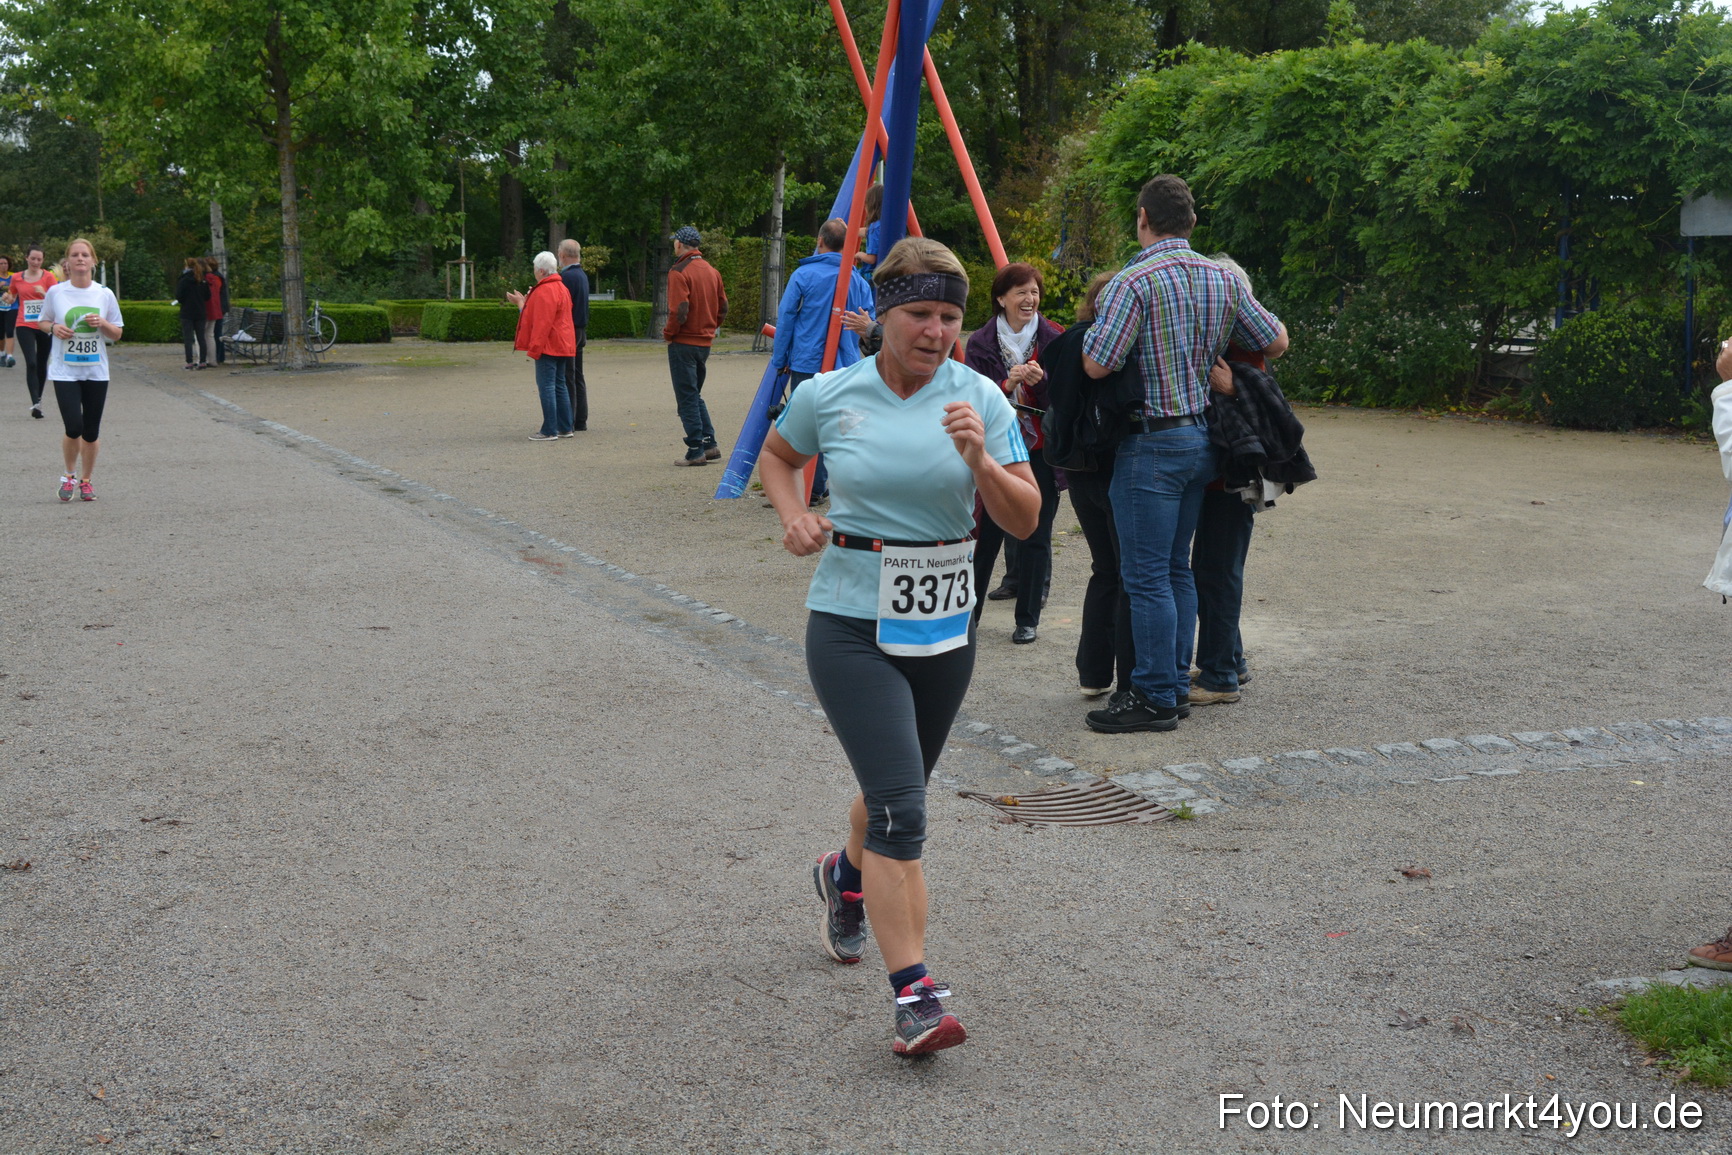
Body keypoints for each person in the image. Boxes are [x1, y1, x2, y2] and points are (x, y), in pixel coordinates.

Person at [760, 237, 1039, 1056]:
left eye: (951, 316)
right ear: (884, 314)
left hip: (946, 629)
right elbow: (779, 459)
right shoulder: (830, 393)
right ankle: (915, 995)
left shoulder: (980, 396)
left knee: (899, 785)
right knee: (902, 810)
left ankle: (843, 879)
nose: (936, 330)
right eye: (920, 313)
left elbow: (1024, 519)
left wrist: (980, 459)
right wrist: (794, 514)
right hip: (851, 625)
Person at [1081, 174, 1287, 734]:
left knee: (1146, 576)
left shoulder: (1132, 281)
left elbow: (1098, 362)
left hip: (1150, 442)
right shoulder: (1223, 277)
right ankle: (1170, 682)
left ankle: (1153, 695)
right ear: (1192, 222)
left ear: (1142, 217)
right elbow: (1275, 340)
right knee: (1176, 570)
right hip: (1201, 438)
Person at [1188, 254, 1293, 706]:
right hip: (1229, 470)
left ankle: (1219, 675)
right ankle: (1230, 658)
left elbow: (1265, 388)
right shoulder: (1242, 335)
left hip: (1230, 471)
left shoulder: (1241, 338)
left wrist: (1230, 387)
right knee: (1213, 568)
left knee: (1217, 569)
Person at [1044, 271, 1136, 696]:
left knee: (1105, 570)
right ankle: (1132, 678)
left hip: (1079, 467)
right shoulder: (1117, 351)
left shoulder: (1065, 342)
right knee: (1131, 575)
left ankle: (1093, 673)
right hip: (1117, 464)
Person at [965, 262, 1065, 644]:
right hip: (995, 448)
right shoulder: (981, 342)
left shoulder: (1055, 337)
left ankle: (1028, 619)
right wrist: (1007, 382)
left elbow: (1065, 398)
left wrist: (1041, 384)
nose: (1030, 299)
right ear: (1001, 297)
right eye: (1021, 292)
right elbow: (974, 394)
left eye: (1035, 292)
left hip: (1040, 449)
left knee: (1037, 533)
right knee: (986, 533)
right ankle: (969, 614)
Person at [767, 217, 876, 501]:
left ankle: (812, 485)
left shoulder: (803, 276)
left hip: (807, 360)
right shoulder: (856, 279)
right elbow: (870, 321)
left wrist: (780, 359)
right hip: (846, 363)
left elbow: (787, 318)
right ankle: (843, 484)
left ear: (819, 240)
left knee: (805, 423)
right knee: (844, 423)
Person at [42, 238, 123, 501]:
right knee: (73, 426)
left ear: (93, 261)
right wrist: (54, 328)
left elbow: (118, 332)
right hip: (64, 370)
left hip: (96, 370)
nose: (80, 259)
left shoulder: (104, 293)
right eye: (75, 255)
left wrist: (102, 323)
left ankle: (86, 481)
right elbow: (42, 321)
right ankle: (68, 475)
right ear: (67, 261)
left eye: (85, 255)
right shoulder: (56, 292)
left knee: (91, 431)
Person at [663, 226, 728, 466]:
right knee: (694, 394)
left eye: (674, 242)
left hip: (684, 342)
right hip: (704, 342)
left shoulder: (678, 271)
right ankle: (709, 443)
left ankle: (695, 449)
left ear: (680, 244)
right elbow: (723, 308)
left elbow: (679, 309)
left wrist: (669, 334)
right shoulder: (713, 271)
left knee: (687, 397)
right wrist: (710, 327)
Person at [506, 251, 576, 441]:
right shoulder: (561, 287)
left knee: (547, 386)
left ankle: (549, 430)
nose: (535, 272)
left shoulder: (545, 290)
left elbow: (541, 323)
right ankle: (564, 427)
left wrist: (535, 349)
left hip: (549, 345)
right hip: (563, 343)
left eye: (536, 269)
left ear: (541, 271)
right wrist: (525, 302)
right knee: (559, 384)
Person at [9, 244, 58, 417]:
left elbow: (57, 300)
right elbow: (11, 294)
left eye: (39, 259)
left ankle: (39, 399)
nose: (36, 262)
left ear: (43, 260)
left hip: (45, 324)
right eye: (33, 258)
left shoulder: (49, 277)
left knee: (41, 361)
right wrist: (8, 297)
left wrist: (44, 293)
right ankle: (35, 403)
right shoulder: (16, 277)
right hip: (24, 325)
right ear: (26, 258)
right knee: (31, 362)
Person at [555, 239, 590, 433]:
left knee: (568, 375)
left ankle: (568, 420)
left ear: (562, 255)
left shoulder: (566, 277)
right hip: (580, 329)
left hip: (570, 330)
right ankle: (580, 420)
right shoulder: (581, 275)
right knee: (577, 375)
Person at [174, 257, 208, 369]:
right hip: (200, 311)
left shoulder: (184, 280)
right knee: (201, 337)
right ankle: (203, 361)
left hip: (187, 311)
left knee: (188, 338)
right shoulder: (202, 279)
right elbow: (208, 296)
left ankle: (189, 361)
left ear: (187, 266)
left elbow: (179, 296)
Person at [200, 257, 225, 369]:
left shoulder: (209, 279)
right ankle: (214, 358)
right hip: (216, 308)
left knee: (205, 334)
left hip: (210, 309)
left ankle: (204, 359)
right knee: (211, 334)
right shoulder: (217, 278)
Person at [854, 183, 884, 273]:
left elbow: (871, 259)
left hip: (872, 274)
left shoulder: (874, 227)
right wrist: (847, 229)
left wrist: (859, 254)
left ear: (871, 205)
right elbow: (866, 231)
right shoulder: (883, 225)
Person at [0, 255, 18, 369]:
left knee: (10, 330)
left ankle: (10, 356)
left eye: (5, 263)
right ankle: (2, 354)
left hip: (12, 306)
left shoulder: (13, 277)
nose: (3, 265)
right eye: (1, 264)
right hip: (0, 308)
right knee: (1, 333)